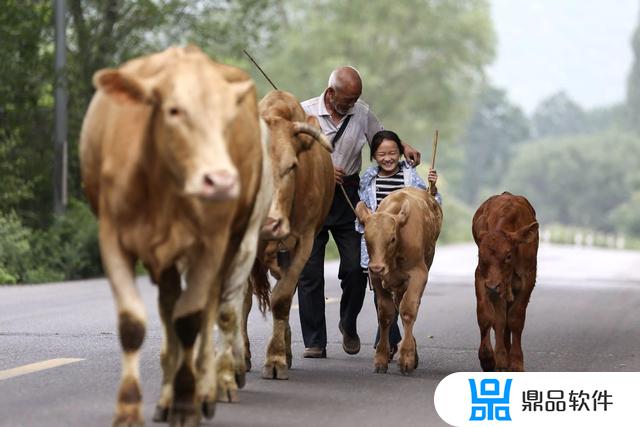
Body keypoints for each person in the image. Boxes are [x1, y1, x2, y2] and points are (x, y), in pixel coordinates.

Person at [297, 66, 422, 358]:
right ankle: (315, 341)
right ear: (330, 93)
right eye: (347, 100)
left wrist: (404, 146)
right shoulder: (304, 112)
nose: (351, 105)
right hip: (312, 193)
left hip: (348, 196)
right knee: (309, 271)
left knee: (356, 268)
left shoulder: (361, 112)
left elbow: (380, 137)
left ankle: (347, 322)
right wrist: (322, 167)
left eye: (355, 99)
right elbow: (288, 151)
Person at [356, 130, 441, 360]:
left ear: (400, 153)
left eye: (393, 152)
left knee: (405, 294)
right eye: (382, 153)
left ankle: (403, 339)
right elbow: (364, 204)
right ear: (374, 156)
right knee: (382, 299)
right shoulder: (368, 178)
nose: (388, 158)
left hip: (404, 235)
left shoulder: (410, 175)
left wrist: (431, 189)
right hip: (379, 241)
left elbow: (430, 201)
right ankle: (386, 340)